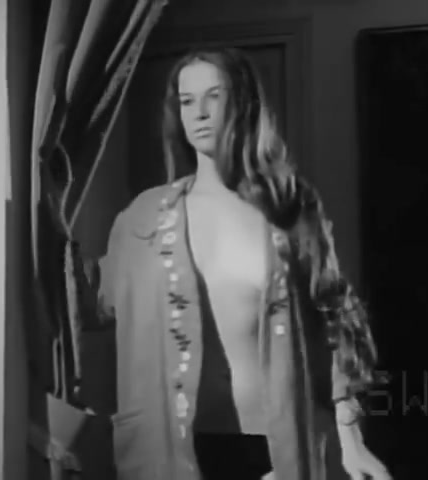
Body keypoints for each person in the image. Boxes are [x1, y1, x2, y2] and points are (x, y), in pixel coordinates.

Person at [80, 47, 391, 480]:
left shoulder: (288, 206)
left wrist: (351, 438)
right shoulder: (143, 218)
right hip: (168, 451)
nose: (200, 113)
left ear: (243, 103)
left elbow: (334, 315)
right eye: (187, 101)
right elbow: (93, 301)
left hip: (271, 449)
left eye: (214, 96)